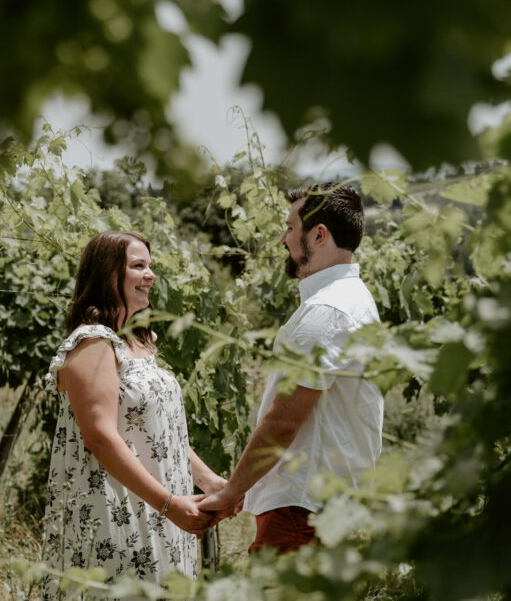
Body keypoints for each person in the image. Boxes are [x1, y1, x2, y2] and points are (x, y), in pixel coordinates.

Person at [198, 183, 383, 554]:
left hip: (301, 510)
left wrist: (234, 490)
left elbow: (283, 420)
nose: (283, 239)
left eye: (289, 228)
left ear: (318, 235)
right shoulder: (350, 301)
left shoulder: (327, 311)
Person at [40, 231, 224, 596]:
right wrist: (170, 504)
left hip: (159, 508)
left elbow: (157, 433)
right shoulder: (93, 342)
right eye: (139, 266)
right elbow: (100, 437)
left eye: (150, 266)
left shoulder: (140, 340)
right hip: (119, 511)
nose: (151, 275)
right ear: (109, 275)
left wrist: (210, 482)